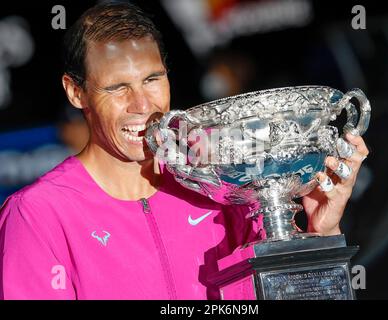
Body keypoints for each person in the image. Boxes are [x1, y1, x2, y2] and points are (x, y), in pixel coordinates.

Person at [0, 3, 369, 300]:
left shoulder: (226, 190)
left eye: (152, 79)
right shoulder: (37, 215)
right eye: (117, 87)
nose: (142, 104)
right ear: (76, 92)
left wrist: (321, 234)